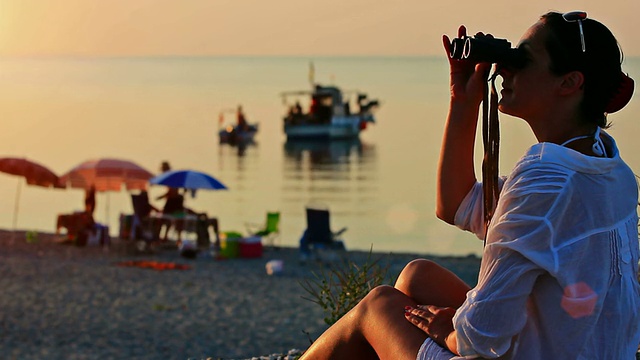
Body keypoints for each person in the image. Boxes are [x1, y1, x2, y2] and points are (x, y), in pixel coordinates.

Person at [299, 11, 639, 359]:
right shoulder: (607, 164)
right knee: (418, 276)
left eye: (522, 60)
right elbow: (456, 205)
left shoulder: (546, 180)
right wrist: (463, 103)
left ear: (568, 83)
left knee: (378, 307)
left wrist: (449, 330)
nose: (505, 69)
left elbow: (481, 337)